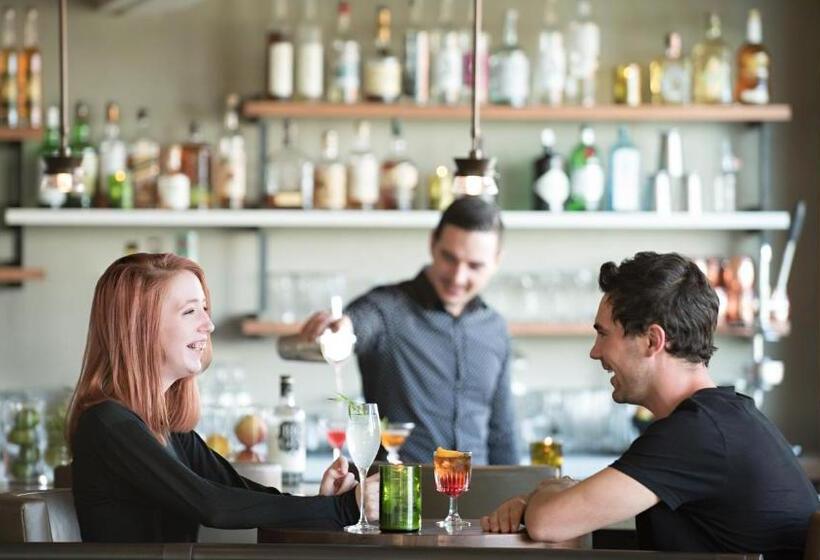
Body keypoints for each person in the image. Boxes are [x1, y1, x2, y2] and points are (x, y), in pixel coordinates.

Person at [482, 252, 817, 559]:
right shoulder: (720, 419)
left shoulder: (697, 434)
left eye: (603, 334)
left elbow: (548, 522)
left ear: (653, 341)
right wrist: (554, 497)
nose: (595, 352)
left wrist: (550, 490)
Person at [66, 253, 378, 543]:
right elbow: (212, 505)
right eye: (190, 312)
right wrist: (343, 509)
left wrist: (322, 503)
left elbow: (238, 493)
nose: (209, 324)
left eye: (204, 309)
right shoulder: (107, 424)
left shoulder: (167, 428)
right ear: (139, 329)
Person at [299, 196, 517, 465]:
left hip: (478, 499)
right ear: (432, 244)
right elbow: (359, 323)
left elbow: (502, 434)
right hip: (400, 495)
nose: (458, 277)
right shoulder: (387, 310)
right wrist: (342, 330)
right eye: (449, 258)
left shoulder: (495, 328)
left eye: (475, 266)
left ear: (497, 261)